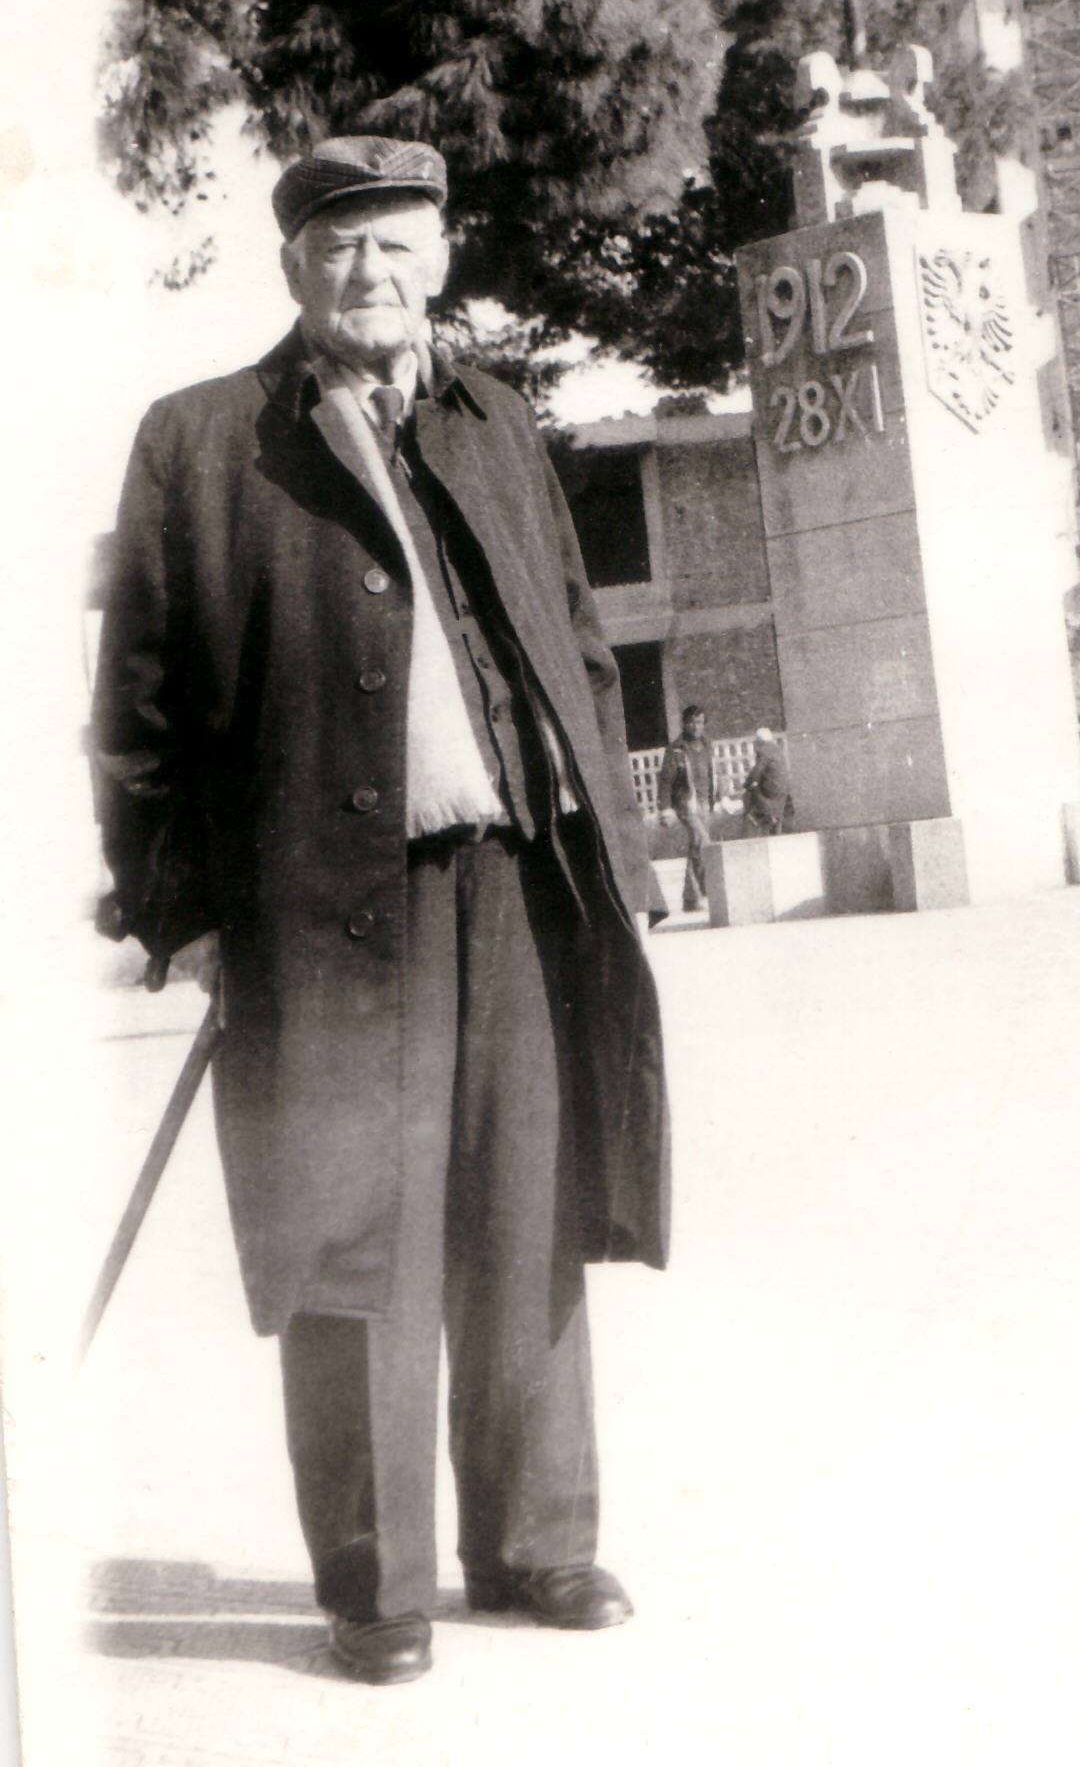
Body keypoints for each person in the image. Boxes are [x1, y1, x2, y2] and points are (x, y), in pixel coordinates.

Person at [92, 137, 671, 1687]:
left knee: (526, 1212)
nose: (371, 272)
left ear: (441, 256)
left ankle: (538, 1541)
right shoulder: (203, 442)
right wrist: (179, 914)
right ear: (295, 268)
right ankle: (376, 1584)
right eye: (340, 246)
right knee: (354, 1242)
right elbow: (136, 711)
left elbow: (582, 649)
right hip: (319, 911)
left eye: (398, 242)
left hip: (516, 882)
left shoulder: (495, 421)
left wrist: (614, 848)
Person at [657, 704, 716, 910]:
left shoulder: (708, 745)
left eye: (699, 722)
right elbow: (665, 781)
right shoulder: (676, 749)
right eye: (691, 722)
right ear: (684, 724)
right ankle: (707, 891)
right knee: (702, 842)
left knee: (696, 846)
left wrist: (717, 795)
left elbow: (711, 773)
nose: (695, 726)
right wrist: (665, 808)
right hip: (686, 803)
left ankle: (690, 899)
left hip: (704, 803)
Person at [742, 727, 792, 836]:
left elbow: (758, 770)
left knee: (751, 794)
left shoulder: (764, 751)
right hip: (784, 787)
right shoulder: (777, 749)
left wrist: (747, 783)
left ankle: (760, 819)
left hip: (771, 788)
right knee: (775, 807)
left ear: (759, 740)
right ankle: (773, 819)